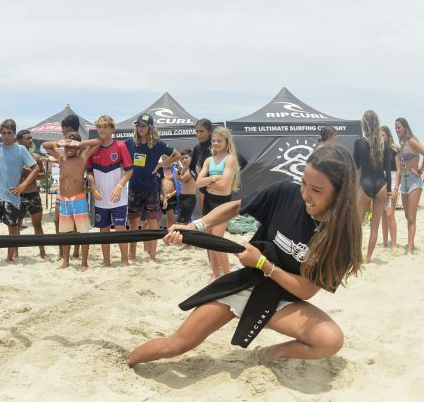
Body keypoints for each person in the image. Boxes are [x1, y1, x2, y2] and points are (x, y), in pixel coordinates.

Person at [127, 144, 363, 368]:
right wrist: (195, 226)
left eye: (316, 190)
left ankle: (270, 354)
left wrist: (262, 262)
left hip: (285, 299)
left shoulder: (342, 236)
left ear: (339, 194)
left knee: (330, 340)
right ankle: (127, 363)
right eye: (303, 184)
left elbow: (306, 290)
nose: (305, 194)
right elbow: (234, 207)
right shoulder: (285, 193)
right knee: (176, 345)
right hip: (248, 284)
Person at [0, 119, 40, 269]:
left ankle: (10, 258)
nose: (6, 136)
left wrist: (23, 185)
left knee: (13, 229)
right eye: (3, 133)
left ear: (14, 134)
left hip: (12, 195)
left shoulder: (21, 150)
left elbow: (35, 168)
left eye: (9, 133)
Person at [124, 113, 181, 262]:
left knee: (153, 224)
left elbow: (178, 155)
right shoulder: (130, 142)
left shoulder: (158, 143)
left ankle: (152, 255)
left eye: (143, 125)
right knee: (134, 223)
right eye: (138, 125)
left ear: (150, 127)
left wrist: (161, 164)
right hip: (134, 188)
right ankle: (132, 255)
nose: (140, 128)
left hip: (151, 188)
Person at [44, 133, 98, 270]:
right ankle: (66, 261)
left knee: (83, 233)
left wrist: (79, 144)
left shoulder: (83, 156)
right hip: (64, 200)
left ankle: (84, 263)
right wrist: (61, 143)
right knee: (65, 233)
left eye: (72, 146)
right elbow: (45, 146)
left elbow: (97, 142)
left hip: (79, 199)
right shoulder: (61, 156)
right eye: (67, 146)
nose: (69, 148)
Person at [84, 115, 133, 267]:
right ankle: (106, 262)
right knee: (103, 230)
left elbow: (129, 171)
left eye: (105, 126)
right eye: (99, 127)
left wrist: (119, 187)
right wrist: (93, 188)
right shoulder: (93, 148)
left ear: (112, 129)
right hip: (101, 197)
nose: (102, 129)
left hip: (118, 197)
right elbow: (89, 172)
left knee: (120, 229)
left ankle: (124, 260)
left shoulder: (120, 146)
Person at [195, 127, 240, 281]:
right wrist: (214, 179)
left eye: (219, 140)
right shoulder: (208, 160)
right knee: (209, 242)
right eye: (213, 140)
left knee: (217, 241)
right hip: (208, 201)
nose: (215, 143)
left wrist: (207, 182)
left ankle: (227, 276)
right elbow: (197, 183)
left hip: (222, 203)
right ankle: (215, 273)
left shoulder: (230, 159)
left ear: (227, 142)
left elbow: (224, 186)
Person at [353, 110, 392, 263]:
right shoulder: (385, 144)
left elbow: (356, 164)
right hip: (381, 185)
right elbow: (388, 171)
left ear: (364, 124)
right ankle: (368, 259)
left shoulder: (359, 142)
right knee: (375, 226)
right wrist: (389, 192)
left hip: (365, 184)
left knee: (357, 225)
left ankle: (356, 257)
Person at [16, 129, 49, 260]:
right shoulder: (14, 157)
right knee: (16, 226)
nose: (30, 140)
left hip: (33, 194)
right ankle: (15, 253)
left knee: (37, 225)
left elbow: (44, 176)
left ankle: (42, 252)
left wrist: (30, 172)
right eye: (27, 138)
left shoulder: (35, 157)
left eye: (31, 138)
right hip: (18, 195)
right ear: (19, 141)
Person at [395, 117, 424, 255]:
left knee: (411, 216)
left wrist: (420, 171)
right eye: (395, 128)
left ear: (405, 127)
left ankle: (410, 249)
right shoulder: (402, 144)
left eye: (399, 127)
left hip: (414, 180)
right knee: (407, 215)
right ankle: (410, 243)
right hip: (404, 181)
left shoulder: (412, 141)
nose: (397, 130)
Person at [56, 114, 83, 260]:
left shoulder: (81, 148)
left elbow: (94, 144)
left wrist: (76, 144)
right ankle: (62, 252)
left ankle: (76, 252)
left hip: (78, 192)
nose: (62, 131)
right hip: (62, 193)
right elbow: (47, 147)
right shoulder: (63, 149)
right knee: (58, 221)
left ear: (69, 128)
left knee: (77, 225)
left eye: (63, 128)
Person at [380, 125, 401, 251]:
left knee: (390, 214)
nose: (381, 137)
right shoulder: (378, 151)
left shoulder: (395, 149)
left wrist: (396, 188)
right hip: (381, 181)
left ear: (388, 135)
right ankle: (384, 242)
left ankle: (393, 244)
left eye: (383, 135)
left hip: (392, 180)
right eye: (379, 135)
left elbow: (399, 170)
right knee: (383, 214)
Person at [190, 118, 214, 212]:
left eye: (202, 131)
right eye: (197, 131)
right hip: (204, 191)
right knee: (206, 221)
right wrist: (198, 180)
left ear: (210, 131)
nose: (199, 134)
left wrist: (227, 179)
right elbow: (191, 168)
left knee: (220, 222)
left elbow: (239, 162)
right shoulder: (198, 148)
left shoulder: (217, 146)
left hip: (219, 190)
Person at [177, 150, 197, 224]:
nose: (184, 160)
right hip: (182, 196)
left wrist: (180, 173)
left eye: (186, 158)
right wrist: (179, 172)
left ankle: (184, 235)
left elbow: (182, 180)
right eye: (182, 159)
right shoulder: (185, 168)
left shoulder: (193, 168)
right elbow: (177, 179)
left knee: (184, 222)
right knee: (180, 221)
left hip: (189, 198)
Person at [161, 164, 179, 228]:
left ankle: (169, 235)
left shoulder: (176, 171)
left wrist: (169, 195)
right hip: (160, 197)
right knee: (156, 219)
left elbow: (179, 187)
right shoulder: (159, 170)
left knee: (170, 219)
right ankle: (156, 237)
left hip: (171, 197)